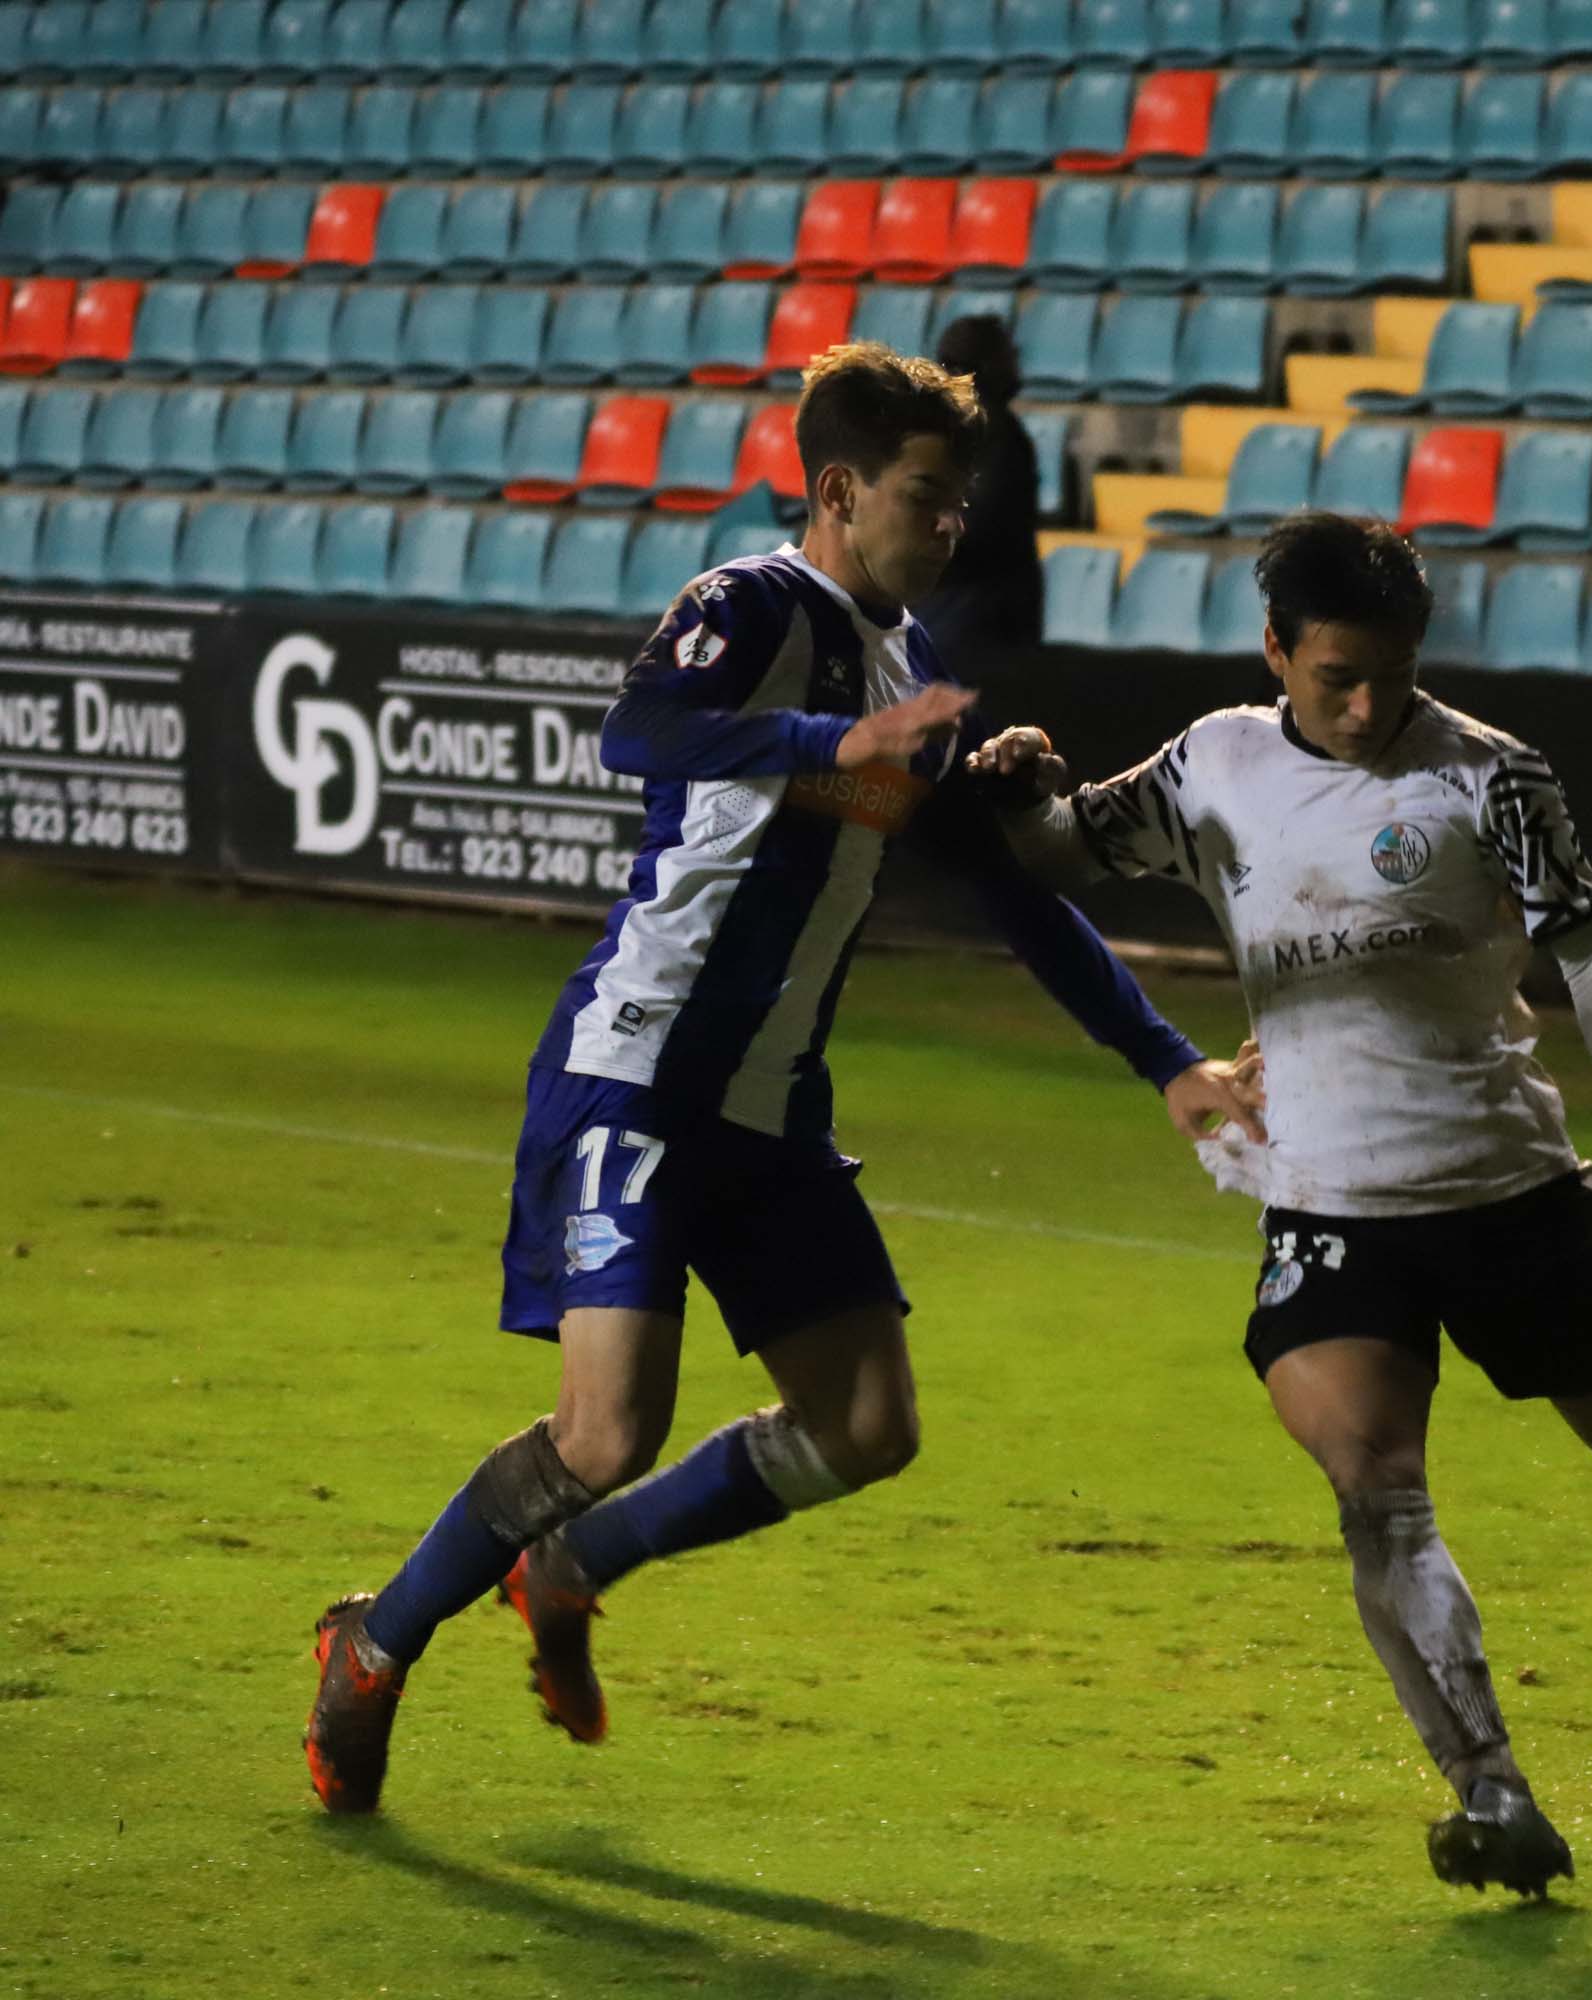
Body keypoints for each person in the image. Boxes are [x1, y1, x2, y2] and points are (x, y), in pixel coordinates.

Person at [301, 343, 1262, 1814]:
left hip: (771, 1110)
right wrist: (834, 740)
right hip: (635, 1074)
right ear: (838, 491)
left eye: (963, 506)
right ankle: (372, 1646)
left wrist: (1164, 1059)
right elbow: (642, 730)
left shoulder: (920, 671)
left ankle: (574, 1565)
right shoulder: (747, 603)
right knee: (605, 1429)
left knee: (869, 1428)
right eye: (928, 499)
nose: (951, 530)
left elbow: (1007, 895)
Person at [968, 513, 1592, 1898]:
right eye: (1337, 678)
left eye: (1392, 673)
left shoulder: (1493, 779)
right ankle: (1493, 1790)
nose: (1369, 705)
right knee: (1376, 1488)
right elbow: (1056, 855)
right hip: (1329, 1202)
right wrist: (1022, 786)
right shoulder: (1216, 764)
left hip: (1509, 1188)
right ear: (1275, 652)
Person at [918, 313, 1046, 682]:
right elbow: (986, 523)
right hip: (981, 621)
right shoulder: (999, 434)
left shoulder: (927, 426)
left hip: (940, 609)